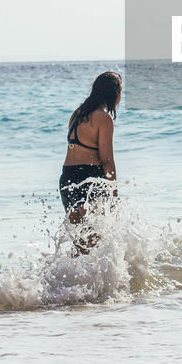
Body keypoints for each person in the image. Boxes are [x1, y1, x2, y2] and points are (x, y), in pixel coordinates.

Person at [59, 70, 121, 253]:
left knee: (80, 241)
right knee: (96, 239)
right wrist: (114, 190)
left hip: (67, 178)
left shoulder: (77, 114)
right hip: (89, 178)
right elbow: (107, 160)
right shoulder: (103, 118)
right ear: (113, 93)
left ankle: (71, 278)